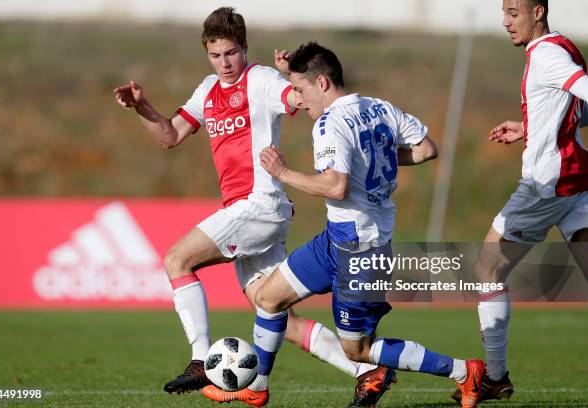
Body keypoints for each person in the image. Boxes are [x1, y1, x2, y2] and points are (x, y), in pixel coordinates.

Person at [113, 7, 389, 405]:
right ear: (207, 54)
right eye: (215, 55)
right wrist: (142, 106)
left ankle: (198, 359)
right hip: (249, 211)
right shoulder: (207, 89)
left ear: (244, 47)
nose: (224, 63)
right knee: (276, 312)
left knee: (176, 260)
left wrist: (291, 76)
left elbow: (297, 97)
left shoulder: (259, 79)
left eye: (230, 53)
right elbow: (171, 135)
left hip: (259, 204)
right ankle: (367, 371)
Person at [202, 42, 485, 408]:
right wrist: (373, 158)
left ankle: (463, 371)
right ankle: (256, 387)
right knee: (270, 299)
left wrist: (284, 173)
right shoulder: (379, 107)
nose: (298, 101)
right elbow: (426, 148)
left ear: (321, 84)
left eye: (301, 91)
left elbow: (336, 187)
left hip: (360, 248)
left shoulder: (329, 123)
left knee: (358, 350)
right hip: (337, 239)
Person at [451, 0, 588, 404]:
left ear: (538, 12)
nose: (507, 21)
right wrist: (529, 126)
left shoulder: (545, 53)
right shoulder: (564, 46)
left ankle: (494, 377)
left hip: (546, 185)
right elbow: (573, 111)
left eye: (514, 12)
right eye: (504, 12)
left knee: (487, 266)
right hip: (576, 180)